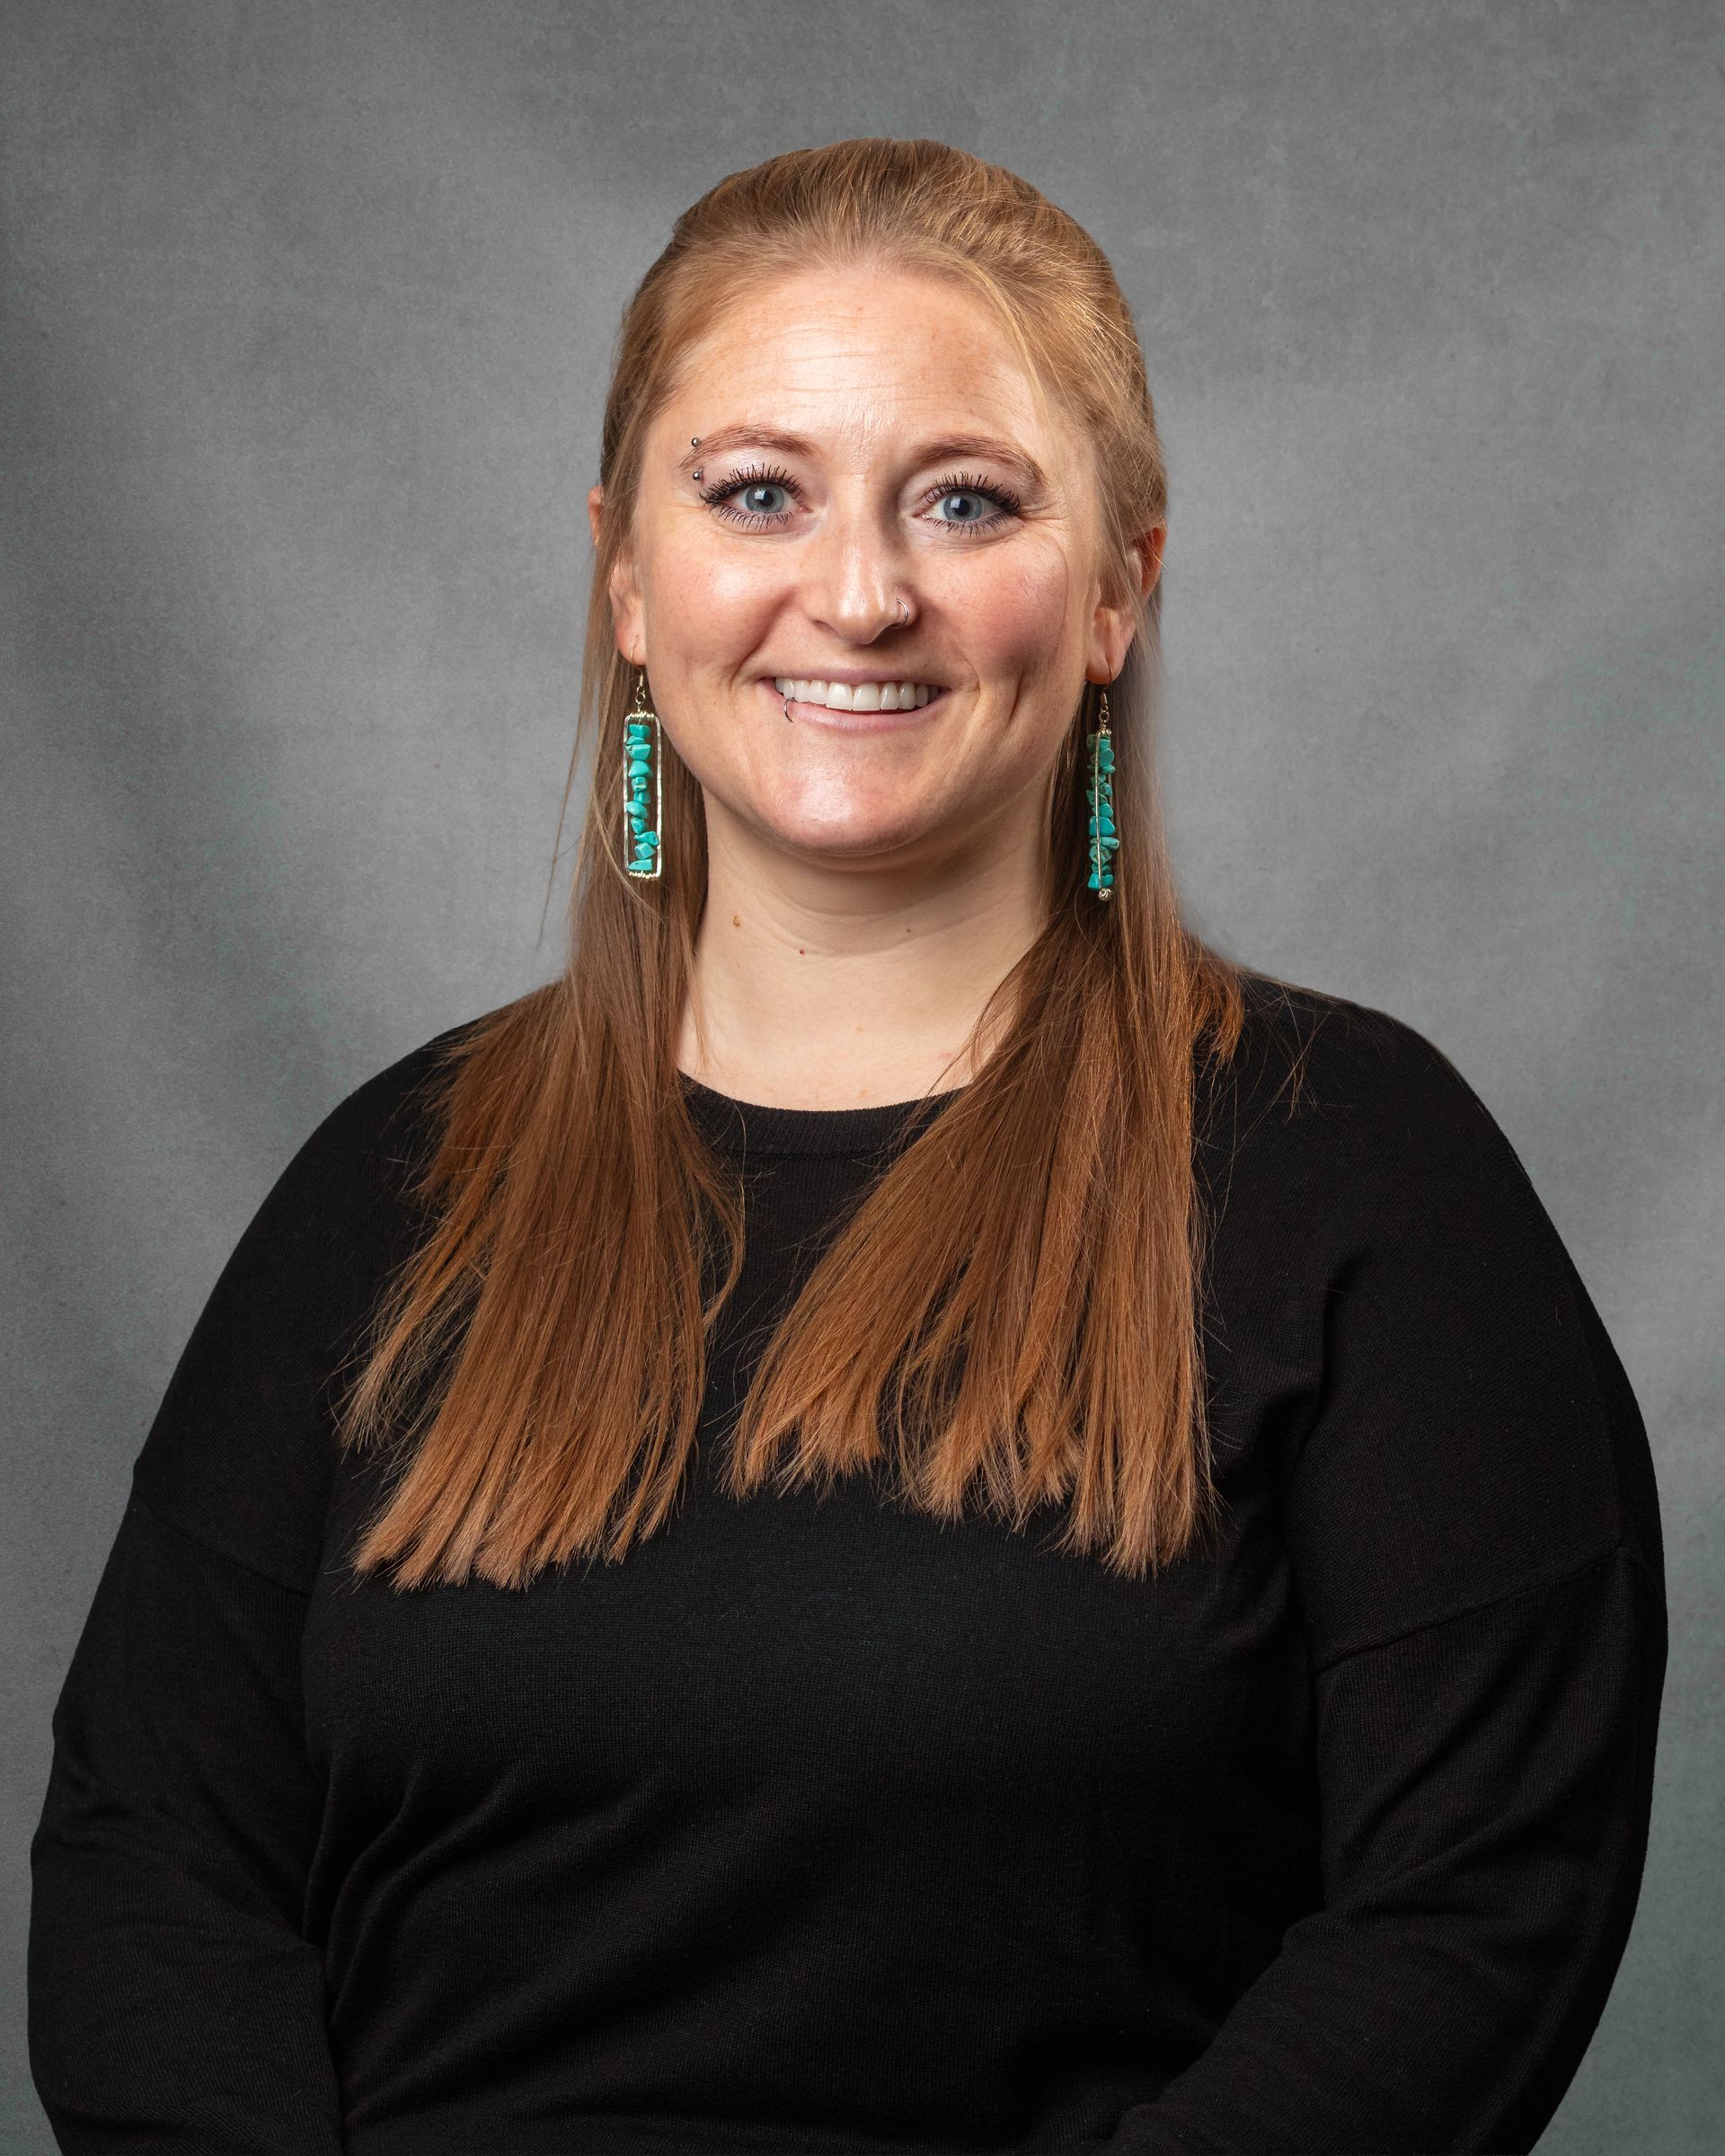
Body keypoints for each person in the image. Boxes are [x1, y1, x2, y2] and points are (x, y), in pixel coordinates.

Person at [28, 137, 1665, 2156]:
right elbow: (150, 1866)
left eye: (966, 501)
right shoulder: (396, 1185)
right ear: (629, 578)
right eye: (756, 494)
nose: (864, 595)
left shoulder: (1364, 1181)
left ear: (1120, 590)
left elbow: (1470, 1915)